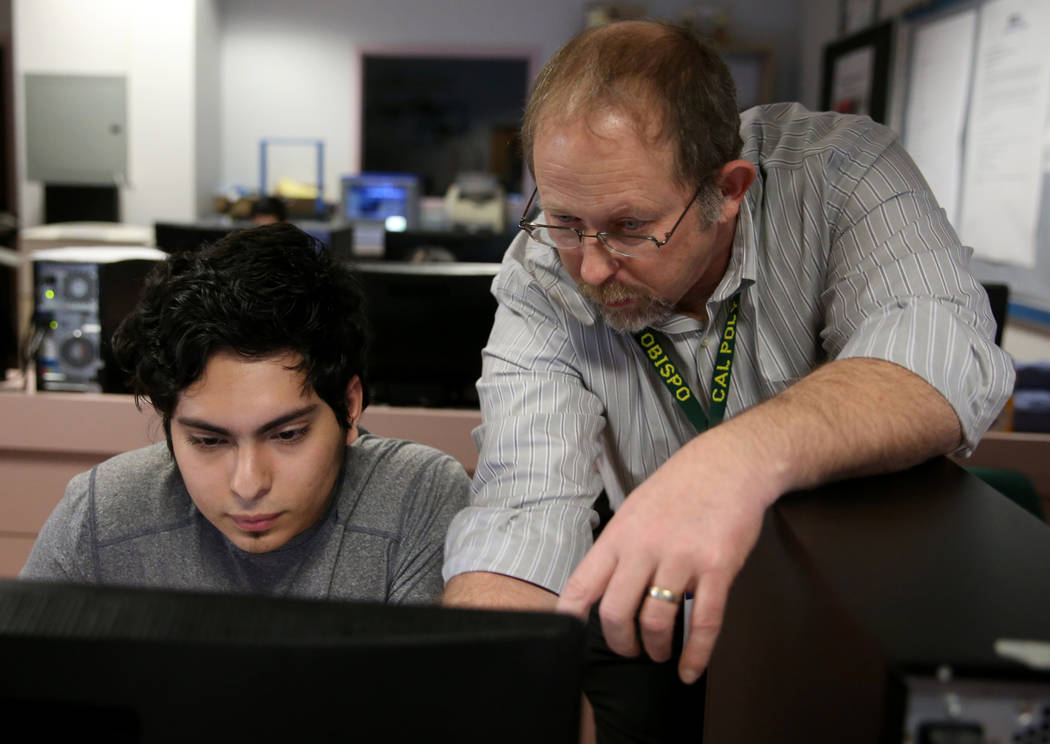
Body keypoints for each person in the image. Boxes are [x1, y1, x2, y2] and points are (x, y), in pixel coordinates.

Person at [442, 19, 1015, 740]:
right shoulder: (540, 276)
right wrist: (495, 679)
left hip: (842, 599)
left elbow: (938, 351)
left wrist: (729, 460)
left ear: (728, 188)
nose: (588, 268)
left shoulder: (842, 175)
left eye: (628, 227)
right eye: (562, 220)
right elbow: (523, 506)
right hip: (653, 609)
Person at [22, 223, 470, 604]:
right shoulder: (104, 513)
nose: (249, 484)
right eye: (209, 441)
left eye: (288, 435)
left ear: (349, 407)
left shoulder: (415, 497)